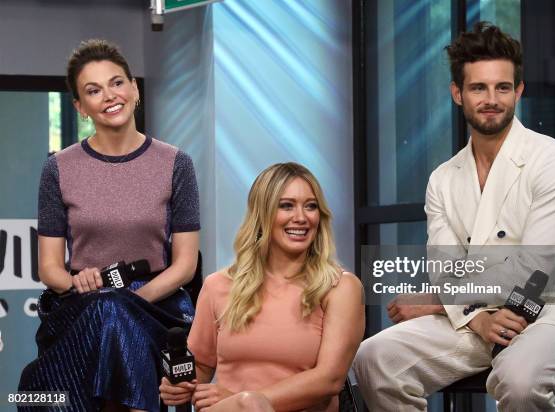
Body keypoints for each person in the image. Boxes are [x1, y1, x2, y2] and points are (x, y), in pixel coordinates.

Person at [353, 22, 555, 411]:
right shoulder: (443, 180)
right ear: (457, 94)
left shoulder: (553, 162)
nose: (491, 99)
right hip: (475, 318)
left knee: (520, 381)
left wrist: (434, 302)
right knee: (376, 358)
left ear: (518, 91)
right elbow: (445, 270)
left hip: (551, 313)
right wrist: (475, 318)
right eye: (478, 88)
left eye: (502, 87)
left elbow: (533, 269)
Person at [18, 39, 200, 412]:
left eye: (117, 83)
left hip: (157, 306)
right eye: (93, 90)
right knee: (107, 315)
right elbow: (50, 268)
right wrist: (78, 283)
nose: (109, 96)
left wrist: (126, 299)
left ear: (134, 88)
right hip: (80, 306)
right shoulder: (58, 168)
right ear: (79, 107)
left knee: (115, 314)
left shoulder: (176, 163)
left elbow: (185, 265)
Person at [159, 162, 364, 412]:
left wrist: (246, 399)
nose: (301, 217)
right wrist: (178, 386)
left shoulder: (340, 288)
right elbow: (199, 366)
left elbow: (329, 380)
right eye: (286, 205)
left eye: (310, 206)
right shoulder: (218, 286)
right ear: (262, 213)